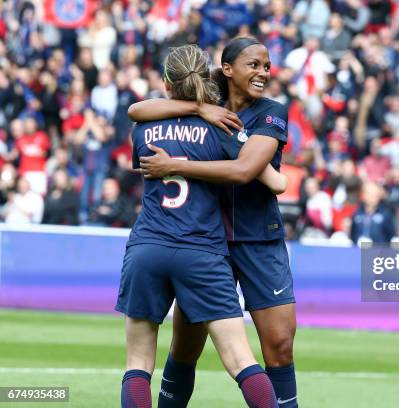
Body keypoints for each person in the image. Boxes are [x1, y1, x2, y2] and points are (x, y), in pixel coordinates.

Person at [128, 37, 299, 407]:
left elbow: (244, 170)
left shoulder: (272, 112)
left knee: (280, 346)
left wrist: (176, 165)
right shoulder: (206, 100)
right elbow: (138, 108)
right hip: (206, 242)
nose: (263, 73)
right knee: (185, 349)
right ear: (227, 69)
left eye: (267, 66)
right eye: (254, 65)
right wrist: (200, 109)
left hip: (258, 240)